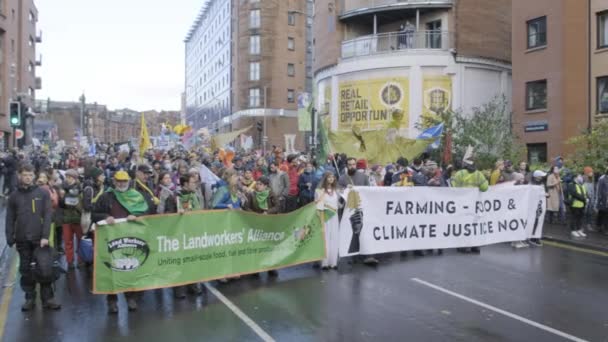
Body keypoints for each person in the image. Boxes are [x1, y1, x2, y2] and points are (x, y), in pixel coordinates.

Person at [93, 170, 151, 314]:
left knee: (130, 268)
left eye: (124, 181)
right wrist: (105, 217)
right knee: (111, 270)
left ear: (129, 182)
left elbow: (148, 212)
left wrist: (136, 215)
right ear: (114, 181)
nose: (121, 183)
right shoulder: (106, 196)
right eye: (119, 181)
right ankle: (112, 302)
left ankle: (130, 298)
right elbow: (93, 213)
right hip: (110, 239)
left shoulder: (137, 196)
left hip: (132, 238)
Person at [6, 164, 61, 311]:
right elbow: (10, 218)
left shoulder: (42, 193)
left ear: (34, 176)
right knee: (25, 270)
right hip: (22, 239)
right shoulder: (14, 196)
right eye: (25, 175)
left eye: (30, 175)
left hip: (39, 239)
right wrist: (9, 236)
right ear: (20, 176)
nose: (28, 177)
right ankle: (30, 298)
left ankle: (47, 298)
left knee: (44, 269)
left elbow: (48, 215)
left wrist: (45, 236)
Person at [173, 174, 204, 298]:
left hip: (193, 232)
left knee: (193, 259)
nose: (195, 185)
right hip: (180, 234)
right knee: (180, 260)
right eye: (192, 182)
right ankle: (179, 287)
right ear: (185, 184)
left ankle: (192, 283)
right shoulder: (176, 196)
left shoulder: (194, 196)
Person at [243, 176, 280, 277]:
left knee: (269, 245)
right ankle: (256, 267)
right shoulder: (252, 194)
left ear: (266, 186)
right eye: (257, 184)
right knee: (257, 245)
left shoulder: (272, 194)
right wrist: (255, 215)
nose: (257, 186)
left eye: (260, 184)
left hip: (269, 223)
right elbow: (246, 207)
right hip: (256, 223)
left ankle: (271, 267)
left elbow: (277, 206)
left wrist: (268, 212)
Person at [451, 156, 488, 253]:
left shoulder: (460, 173)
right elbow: (485, 188)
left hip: (462, 203)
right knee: (474, 224)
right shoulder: (479, 174)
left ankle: (463, 246)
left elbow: (454, 188)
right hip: (474, 204)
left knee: (463, 224)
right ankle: (475, 246)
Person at [59, 169, 84, 269]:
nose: (68, 179)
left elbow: (72, 202)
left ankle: (80, 260)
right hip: (67, 219)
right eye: (67, 177)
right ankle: (70, 261)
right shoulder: (64, 188)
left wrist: (64, 196)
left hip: (77, 219)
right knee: (68, 241)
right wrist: (62, 198)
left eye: (70, 177)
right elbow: (62, 205)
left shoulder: (79, 188)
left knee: (80, 241)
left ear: (75, 178)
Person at [315, 172, 340, 270]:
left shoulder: (336, 191)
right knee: (325, 238)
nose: (331, 179)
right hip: (325, 217)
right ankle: (324, 262)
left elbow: (339, 204)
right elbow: (318, 205)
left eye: (333, 177)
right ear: (325, 178)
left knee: (334, 237)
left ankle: (333, 262)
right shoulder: (320, 191)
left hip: (334, 217)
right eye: (329, 177)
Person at [565, 173, 587, 238]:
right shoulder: (571, 185)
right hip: (574, 205)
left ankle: (579, 229)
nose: (581, 177)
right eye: (579, 176)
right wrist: (584, 199)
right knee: (574, 218)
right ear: (575, 178)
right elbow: (575, 194)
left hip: (582, 205)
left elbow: (585, 193)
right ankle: (573, 230)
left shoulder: (581, 185)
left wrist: (587, 198)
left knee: (580, 218)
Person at [582, 166, 596, 232]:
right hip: (585, 200)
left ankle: (588, 225)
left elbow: (593, 192)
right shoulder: (583, 181)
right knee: (584, 213)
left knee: (590, 213)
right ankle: (582, 226)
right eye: (590, 172)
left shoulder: (592, 181)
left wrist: (593, 201)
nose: (592, 173)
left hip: (590, 201)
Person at [596, 167, 608, 235]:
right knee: (601, 214)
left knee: (606, 215)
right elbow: (599, 190)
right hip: (603, 200)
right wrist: (599, 200)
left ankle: (605, 229)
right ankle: (599, 226)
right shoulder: (602, 179)